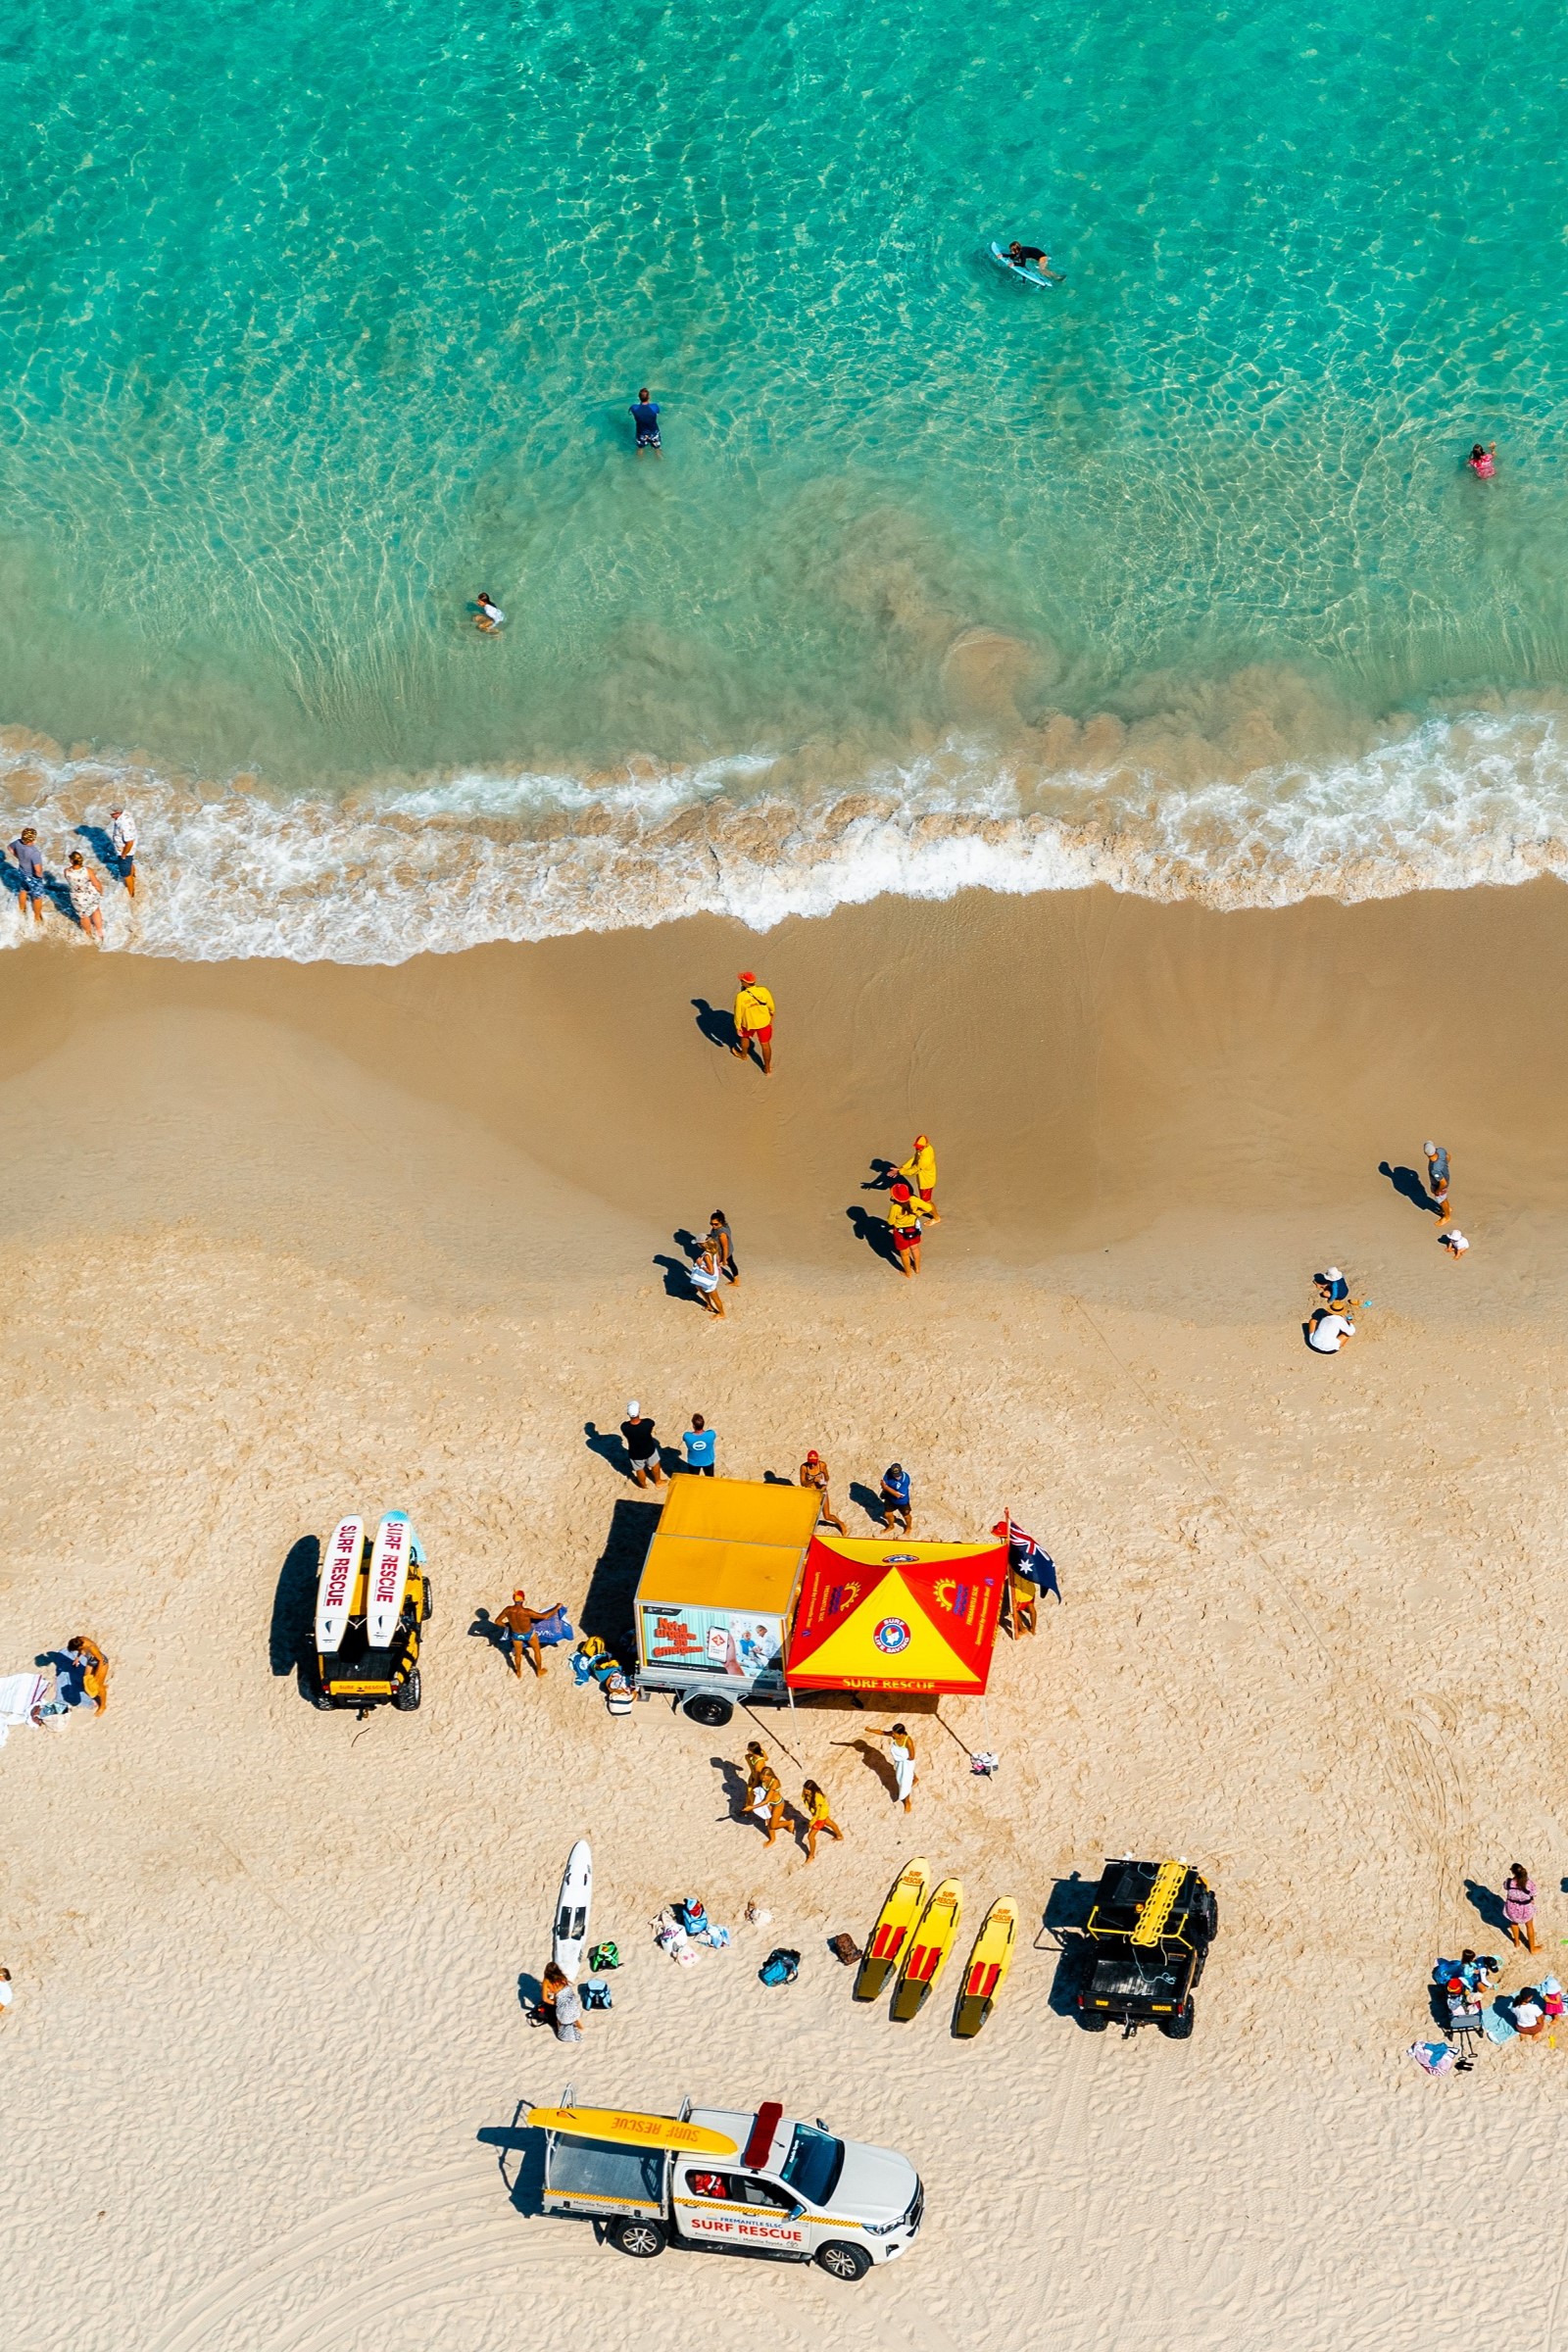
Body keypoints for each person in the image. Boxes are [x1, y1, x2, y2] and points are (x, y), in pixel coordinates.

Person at [495, 1588, 560, 1678]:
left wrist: (508, 1626)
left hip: (516, 1635)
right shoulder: (526, 1612)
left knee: (518, 1655)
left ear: (513, 1599)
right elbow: (545, 1616)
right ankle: (539, 1671)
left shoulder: (508, 1610)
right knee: (536, 1650)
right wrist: (557, 1607)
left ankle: (518, 1672)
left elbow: (497, 1621)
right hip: (528, 1634)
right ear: (523, 1599)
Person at [731, 971, 775, 1074]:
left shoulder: (740, 996)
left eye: (742, 980)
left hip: (748, 1023)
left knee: (744, 1038)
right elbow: (771, 1006)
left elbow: (738, 1013)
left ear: (745, 983)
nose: (741, 982)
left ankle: (743, 1055)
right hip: (763, 1021)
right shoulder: (764, 990)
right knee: (765, 1044)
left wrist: (737, 1025)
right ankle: (767, 1068)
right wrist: (771, 1014)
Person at [620, 1400, 666, 1489]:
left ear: (628, 1414)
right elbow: (651, 1424)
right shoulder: (647, 1423)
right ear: (639, 1412)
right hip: (649, 1449)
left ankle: (643, 1485)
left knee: (639, 1469)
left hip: (635, 1452)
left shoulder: (624, 1427)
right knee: (655, 1464)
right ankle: (658, 1481)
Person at [799, 1448, 846, 1534]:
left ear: (817, 1461)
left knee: (827, 1516)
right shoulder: (804, 1467)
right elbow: (803, 1483)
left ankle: (840, 1523)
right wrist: (813, 1480)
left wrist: (823, 1481)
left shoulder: (822, 1465)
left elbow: (827, 1477)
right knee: (809, 1515)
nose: (812, 1465)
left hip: (822, 1491)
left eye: (814, 1463)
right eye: (810, 1463)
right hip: (811, 1492)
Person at [897, 1135, 940, 1222]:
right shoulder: (924, 1149)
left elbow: (914, 1170)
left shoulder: (925, 1159)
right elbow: (915, 1158)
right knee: (924, 1199)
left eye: (919, 1148)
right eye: (917, 1147)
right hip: (923, 1179)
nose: (917, 1149)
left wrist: (901, 1172)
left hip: (926, 1182)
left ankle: (936, 1218)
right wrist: (903, 1167)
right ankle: (922, 1209)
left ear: (925, 1145)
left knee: (927, 1201)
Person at [65, 850, 104, 943]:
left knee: (83, 916)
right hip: (89, 894)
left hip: (77, 898)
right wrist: (100, 891)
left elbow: (70, 881)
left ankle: (88, 934)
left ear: (71, 861)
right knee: (95, 909)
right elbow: (96, 883)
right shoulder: (88, 870)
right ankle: (99, 931)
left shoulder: (67, 871)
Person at [885, 1182, 923, 1276]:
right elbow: (928, 1207)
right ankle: (917, 1269)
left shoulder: (895, 1207)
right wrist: (918, 1213)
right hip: (914, 1229)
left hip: (900, 1233)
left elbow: (890, 1222)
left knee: (905, 1254)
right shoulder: (913, 1200)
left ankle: (908, 1273)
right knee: (915, 1249)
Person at [10, 827, 46, 925]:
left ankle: (22, 909)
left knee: (23, 889)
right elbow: (38, 870)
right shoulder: (34, 853)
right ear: (33, 839)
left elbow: (10, 848)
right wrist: (40, 877)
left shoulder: (18, 842)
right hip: (32, 876)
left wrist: (19, 858)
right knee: (38, 897)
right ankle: (37, 917)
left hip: (22, 872)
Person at [802, 1779, 844, 1861]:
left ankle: (811, 1856)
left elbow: (818, 1813)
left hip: (820, 1816)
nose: (805, 1792)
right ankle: (839, 1836)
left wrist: (812, 1821)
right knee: (830, 1823)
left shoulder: (818, 1797)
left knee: (810, 1837)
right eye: (804, 1789)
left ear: (812, 1790)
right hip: (821, 1814)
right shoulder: (807, 1794)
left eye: (807, 1791)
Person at [878, 1723, 916, 1811]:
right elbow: (882, 1733)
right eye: (892, 1733)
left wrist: (901, 1758)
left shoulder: (908, 1741)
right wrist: (869, 1730)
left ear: (901, 1734)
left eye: (894, 1733)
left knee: (904, 1783)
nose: (892, 1735)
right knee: (906, 1776)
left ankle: (907, 1802)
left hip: (906, 1762)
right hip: (900, 1762)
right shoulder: (894, 1736)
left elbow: (912, 1756)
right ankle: (915, 1778)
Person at [68, 1635, 109, 1715]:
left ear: (80, 1646)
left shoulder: (91, 1647)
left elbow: (100, 1660)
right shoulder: (79, 1640)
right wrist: (77, 1658)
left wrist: (97, 1673)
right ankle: (100, 1684)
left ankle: (103, 1706)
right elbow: (80, 1650)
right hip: (91, 1661)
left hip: (102, 1664)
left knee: (99, 1686)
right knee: (86, 1679)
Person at [687, 1238, 726, 1318]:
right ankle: (709, 1305)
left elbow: (710, 1272)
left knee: (715, 1297)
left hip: (710, 1277)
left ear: (701, 1244)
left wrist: (700, 1264)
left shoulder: (706, 1256)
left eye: (698, 1244)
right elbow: (717, 1262)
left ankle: (722, 1314)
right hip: (713, 1275)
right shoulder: (714, 1250)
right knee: (698, 1286)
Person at [1504, 1863, 1539, 1953]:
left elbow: (1505, 1887)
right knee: (1529, 1926)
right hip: (1525, 1908)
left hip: (1512, 1907)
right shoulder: (1529, 1883)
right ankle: (1532, 1948)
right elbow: (1534, 1893)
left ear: (1513, 1872)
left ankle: (1516, 1942)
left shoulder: (1508, 1882)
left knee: (1513, 1923)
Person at [109, 807, 138, 898]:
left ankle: (131, 893)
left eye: (112, 814)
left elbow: (130, 842)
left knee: (125, 874)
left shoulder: (123, 823)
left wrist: (124, 855)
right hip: (129, 850)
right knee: (129, 864)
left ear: (117, 812)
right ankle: (133, 876)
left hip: (125, 852)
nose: (110, 815)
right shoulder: (125, 815)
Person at [529, 1961, 568, 2025]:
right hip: (565, 2003)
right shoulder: (563, 1979)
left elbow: (545, 1999)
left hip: (556, 2004)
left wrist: (555, 2003)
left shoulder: (546, 1980)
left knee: (541, 2012)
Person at [707, 1209, 739, 1285]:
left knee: (730, 1263)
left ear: (721, 1222)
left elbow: (725, 1247)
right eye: (711, 1224)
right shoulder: (722, 1226)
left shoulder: (722, 1234)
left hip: (725, 1252)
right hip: (724, 1250)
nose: (713, 1226)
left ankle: (736, 1281)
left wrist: (724, 1260)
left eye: (716, 1224)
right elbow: (715, 1235)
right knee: (731, 1264)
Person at [881, 1462, 912, 1534]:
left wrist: (886, 1487)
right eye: (895, 1475)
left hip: (902, 1501)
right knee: (887, 1514)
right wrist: (887, 1489)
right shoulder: (888, 1472)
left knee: (906, 1516)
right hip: (890, 1498)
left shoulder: (905, 1479)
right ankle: (891, 1526)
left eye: (898, 1475)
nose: (897, 1477)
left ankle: (908, 1527)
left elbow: (898, 1495)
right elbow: (883, 1482)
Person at [1424, 1141, 1451, 1223]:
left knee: (1441, 1200)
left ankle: (1447, 1216)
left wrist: (1438, 1191)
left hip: (1440, 1185)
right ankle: (1447, 1208)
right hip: (1446, 1177)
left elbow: (1443, 1183)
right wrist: (1444, 1166)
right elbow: (1448, 1156)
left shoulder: (1435, 1169)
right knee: (1444, 1199)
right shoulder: (1441, 1150)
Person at [682, 1411, 716, 1475]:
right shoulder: (711, 1434)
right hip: (708, 1461)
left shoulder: (687, 1436)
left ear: (693, 1426)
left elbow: (684, 1439)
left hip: (693, 1462)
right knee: (710, 1479)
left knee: (694, 1479)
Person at [630, 389, 662, 454]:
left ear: (639, 397)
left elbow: (630, 413)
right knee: (657, 450)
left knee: (640, 449)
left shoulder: (634, 408)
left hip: (641, 433)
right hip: (654, 433)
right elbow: (657, 413)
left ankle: (639, 463)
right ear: (649, 397)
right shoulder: (655, 407)